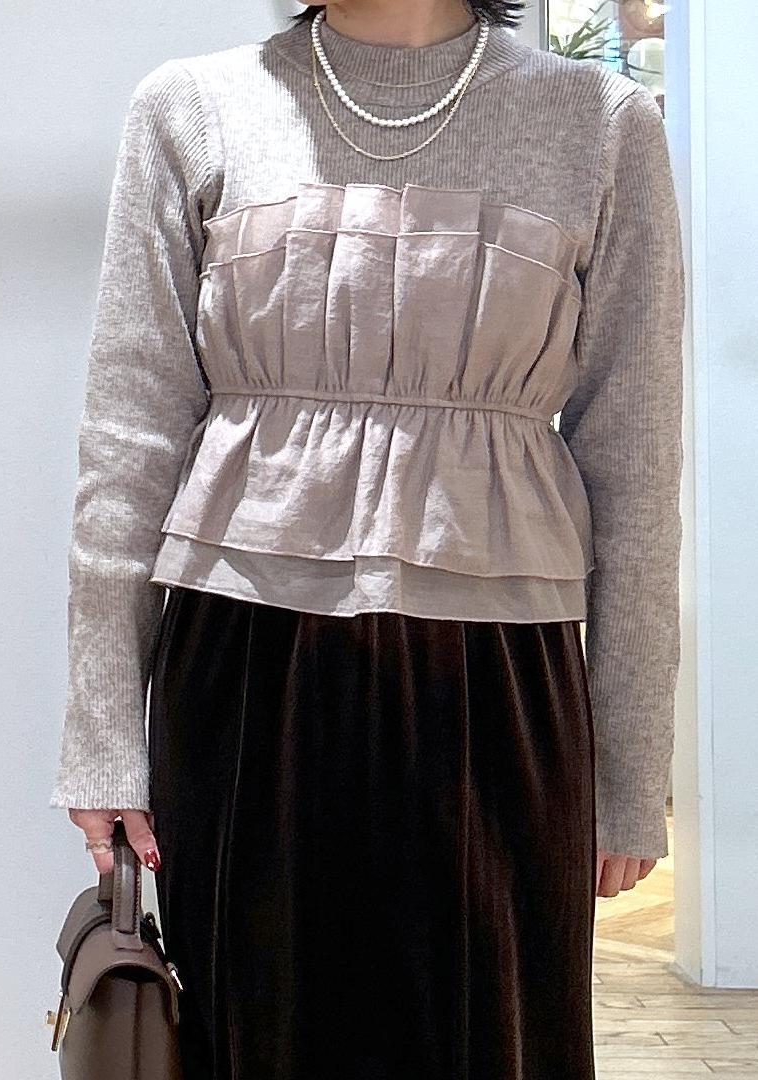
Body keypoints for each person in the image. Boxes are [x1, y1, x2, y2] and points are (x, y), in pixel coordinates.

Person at [50, 1, 685, 1076]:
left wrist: (630, 771)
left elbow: (636, 467)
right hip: (241, 666)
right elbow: (129, 436)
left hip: (500, 677)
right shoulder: (191, 108)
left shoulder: (600, 122)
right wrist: (103, 731)